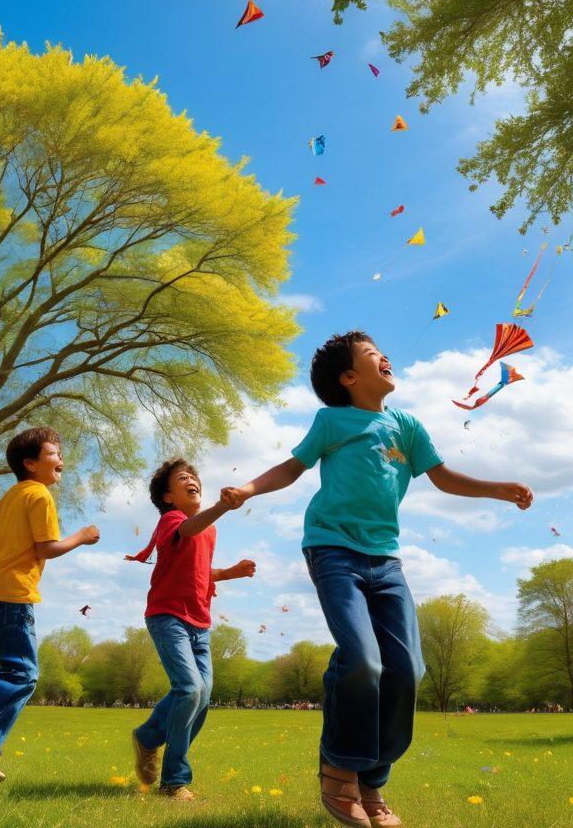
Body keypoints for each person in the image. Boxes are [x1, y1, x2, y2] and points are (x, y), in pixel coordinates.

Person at [222, 331, 532, 828]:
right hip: (332, 549)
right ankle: (338, 766)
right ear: (349, 378)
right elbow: (291, 467)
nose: (385, 357)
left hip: (386, 561)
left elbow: (442, 477)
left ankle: (373, 780)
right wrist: (247, 489)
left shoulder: (407, 426)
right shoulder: (332, 420)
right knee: (363, 660)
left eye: (383, 352)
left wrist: (497, 489)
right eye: (371, 355)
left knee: (407, 668)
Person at [0, 427, 99, 784]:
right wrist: (82, 536)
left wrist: (10, 544)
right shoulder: (40, 495)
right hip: (13, 594)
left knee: (14, 670)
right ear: (30, 463)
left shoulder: (11, 496)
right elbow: (47, 548)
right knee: (21, 673)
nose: (61, 459)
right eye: (53, 453)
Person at [127, 458, 256, 801]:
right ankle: (174, 781)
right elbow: (187, 531)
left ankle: (148, 737)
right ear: (168, 496)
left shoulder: (208, 530)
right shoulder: (172, 520)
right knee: (189, 688)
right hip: (168, 617)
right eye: (182, 477)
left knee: (202, 696)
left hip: (200, 624)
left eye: (193, 476)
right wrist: (222, 507)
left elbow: (199, 571)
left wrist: (230, 573)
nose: (191, 479)